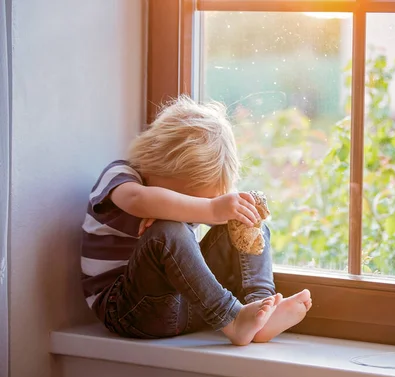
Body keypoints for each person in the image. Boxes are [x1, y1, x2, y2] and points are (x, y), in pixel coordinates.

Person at [80, 95, 312, 346]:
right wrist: (211, 209)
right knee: (168, 230)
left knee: (246, 221)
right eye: (187, 199)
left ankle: (258, 310)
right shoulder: (122, 176)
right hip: (132, 311)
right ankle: (233, 318)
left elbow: (225, 221)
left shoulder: (172, 191)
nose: (193, 209)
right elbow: (138, 200)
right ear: (155, 163)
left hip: (193, 305)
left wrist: (230, 211)